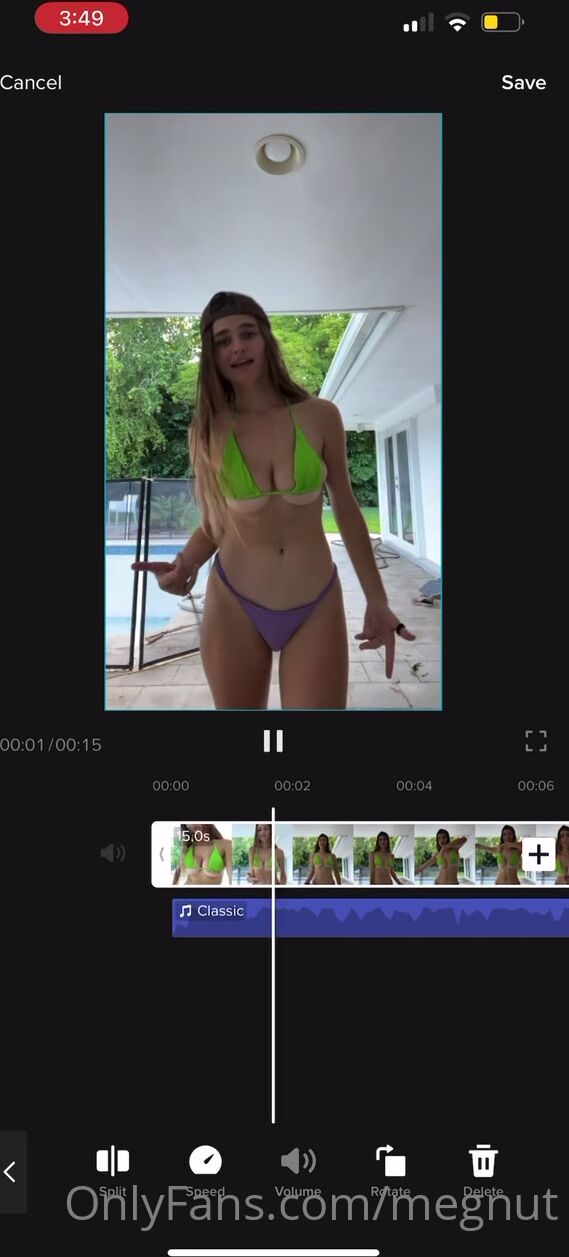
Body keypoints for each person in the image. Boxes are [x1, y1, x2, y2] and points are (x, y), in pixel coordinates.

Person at [133, 292, 414, 709]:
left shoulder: (320, 415)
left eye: (248, 333)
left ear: (266, 339)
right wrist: (185, 565)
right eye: (223, 340)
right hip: (234, 602)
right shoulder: (208, 430)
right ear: (212, 355)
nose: (238, 347)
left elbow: (347, 508)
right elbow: (216, 521)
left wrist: (377, 598)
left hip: (315, 601)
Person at [172, 822, 232, 886]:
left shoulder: (226, 844)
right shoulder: (187, 846)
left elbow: (231, 879)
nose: (191, 824)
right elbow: (178, 871)